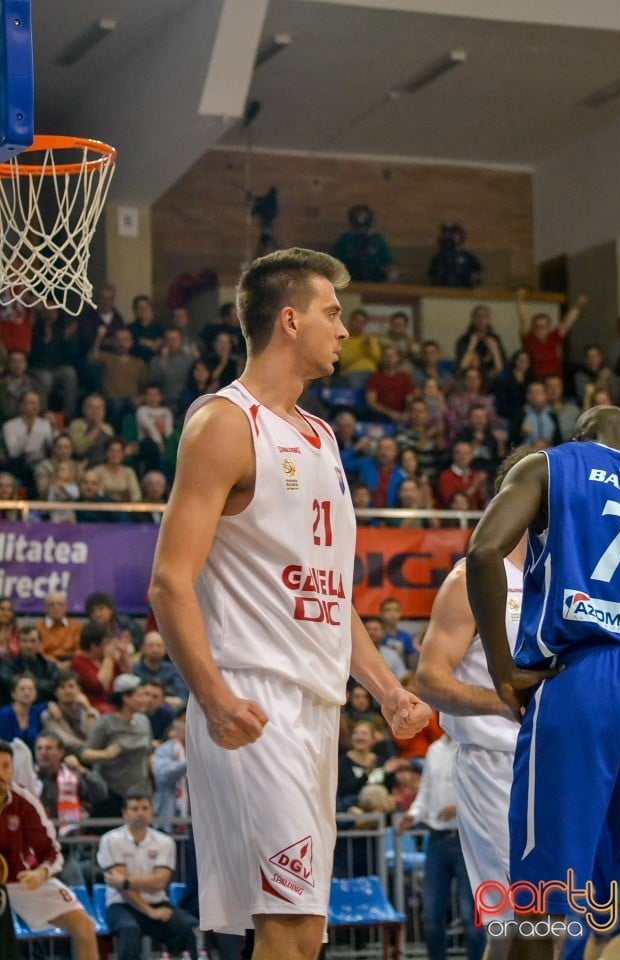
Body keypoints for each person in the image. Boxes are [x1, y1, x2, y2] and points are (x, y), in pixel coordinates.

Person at [148, 247, 431, 960]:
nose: (344, 329)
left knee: (303, 929)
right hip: (252, 699)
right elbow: (168, 581)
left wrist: (389, 690)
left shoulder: (324, 435)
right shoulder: (224, 423)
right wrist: (212, 698)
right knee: (292, 925)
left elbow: (332, 598)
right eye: (332, 313)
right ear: (289, 319)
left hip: (317, 705)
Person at [465, 405, 620, 959]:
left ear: (580, 437)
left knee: (542, 903)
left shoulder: (550, 464)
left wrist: (503, 670)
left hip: (582, 678)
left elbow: (484, 550)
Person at [416, 449, 529, 960]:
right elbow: (430, 680)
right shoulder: (471, 579)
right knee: (515, 922)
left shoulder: (562, 576)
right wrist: (502, 700)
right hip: (494, 766)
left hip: (554, 761)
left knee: (570, 916)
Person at [0, 739, 99, 959]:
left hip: (22, 881)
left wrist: (41, 872)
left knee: (84, 926)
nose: (1, 773)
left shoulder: (25, 802)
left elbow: (52, 851)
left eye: (6, 766)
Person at [397, 731, 485, 960]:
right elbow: (425, 792)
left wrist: (460, 807)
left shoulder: (474, 745)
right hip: (436, 839)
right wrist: (413, 814)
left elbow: (485, 791)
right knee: (431, 915)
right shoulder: (434, 749)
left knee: (471, 916)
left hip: (468, 839)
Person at [96, 788, 197, 960]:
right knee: (130, 928)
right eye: (135, 809)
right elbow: (124, 891)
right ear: (125, 813)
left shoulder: (165, 841)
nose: (140, 813)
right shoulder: (110, 840)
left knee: (191, 926)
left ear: (151, 812)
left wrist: (125, 881)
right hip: (121, 905)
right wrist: (150, 912)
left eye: (144, 808)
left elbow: (159, 882)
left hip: (158, 902)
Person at [82, 673, 153, 817]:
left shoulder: (143, 721)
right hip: (112, 792)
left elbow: (148, 753)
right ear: (125, 697)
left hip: (139, 791)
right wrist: (106, 754)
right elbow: (85, 754)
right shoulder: (106, 723)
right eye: (140, 695)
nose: (145, 700)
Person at [332, 204, 392, 282]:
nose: (360, 222)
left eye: (364, 218)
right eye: (357, 218)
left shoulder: (377, 240)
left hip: (375, 282)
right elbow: (334, 262)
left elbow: (388, 264)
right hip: (350, 283)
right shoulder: (345, 239)